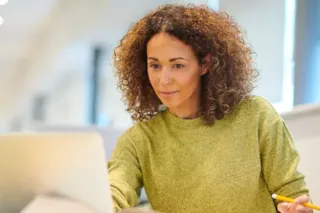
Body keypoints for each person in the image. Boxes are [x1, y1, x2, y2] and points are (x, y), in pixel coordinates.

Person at [108, 4, 312, 213]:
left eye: (177, 65)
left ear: (205, 64)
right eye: (155, 65)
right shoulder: (138, 140)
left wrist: (297, 209)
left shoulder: (256, 116)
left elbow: (292, 192)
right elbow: (113, 195)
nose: (163, 79)